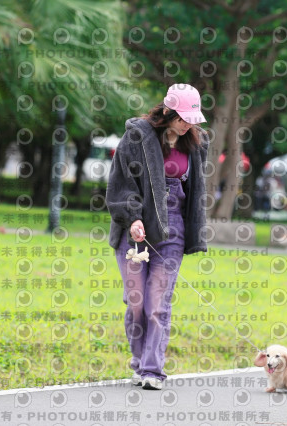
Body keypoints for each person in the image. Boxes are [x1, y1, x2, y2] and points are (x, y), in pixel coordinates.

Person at [106, 83, 209, 390]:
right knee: (136, 302)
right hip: (135, 230)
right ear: (167, 111)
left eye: (192, 119)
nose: (187, 124)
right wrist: (133, 218)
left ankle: (153, 370)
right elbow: (121, 182)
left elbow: (195, 191)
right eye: (182, 118)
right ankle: (138, 362)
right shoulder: (136, 137)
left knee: (157, 304)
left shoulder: (197, 143)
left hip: (173, 229)